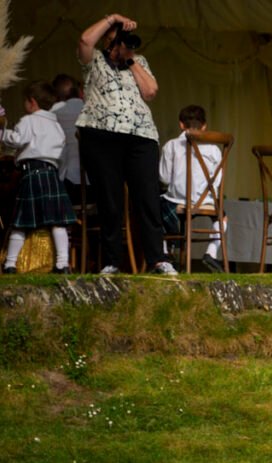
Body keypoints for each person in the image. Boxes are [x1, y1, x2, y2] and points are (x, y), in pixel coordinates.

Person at [76, 13, 177, 275]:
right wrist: (112, 21)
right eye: (120, 41)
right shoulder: (95, 60)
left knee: (147, 198)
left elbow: (151, 92)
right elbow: (85, 40)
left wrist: (130, 59)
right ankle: (111, 261)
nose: (127, 45)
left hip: (141, 136)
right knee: (110, 200)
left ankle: (157, 258)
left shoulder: (139, 61)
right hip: (101, 136)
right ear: (109, 41)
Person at [1, 81, 76, 274]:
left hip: (32, 175)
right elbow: (63, 154)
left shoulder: (28, 120)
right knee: (57, 222)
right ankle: (62, 263)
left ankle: (10, 264)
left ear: (31, 102)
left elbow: (17, 140)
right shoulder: (57, 125)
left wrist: (2, 132)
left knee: (20, 223)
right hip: (51, 174)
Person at [159, 104, 226, 272]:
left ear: (181, 124)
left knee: (155, 209)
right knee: (223, 218)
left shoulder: (171, 146)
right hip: (206, 203)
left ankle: (166, 253)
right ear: (204, 125)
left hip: (176, 201)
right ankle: (210, 253)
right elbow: (217, 182)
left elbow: (164, 178)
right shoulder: (214, 149)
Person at [50, 73, 86, 204]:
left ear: (56, 96)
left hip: (69, 182)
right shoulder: (90, 109)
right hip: (98, 182)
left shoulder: (53, 114)